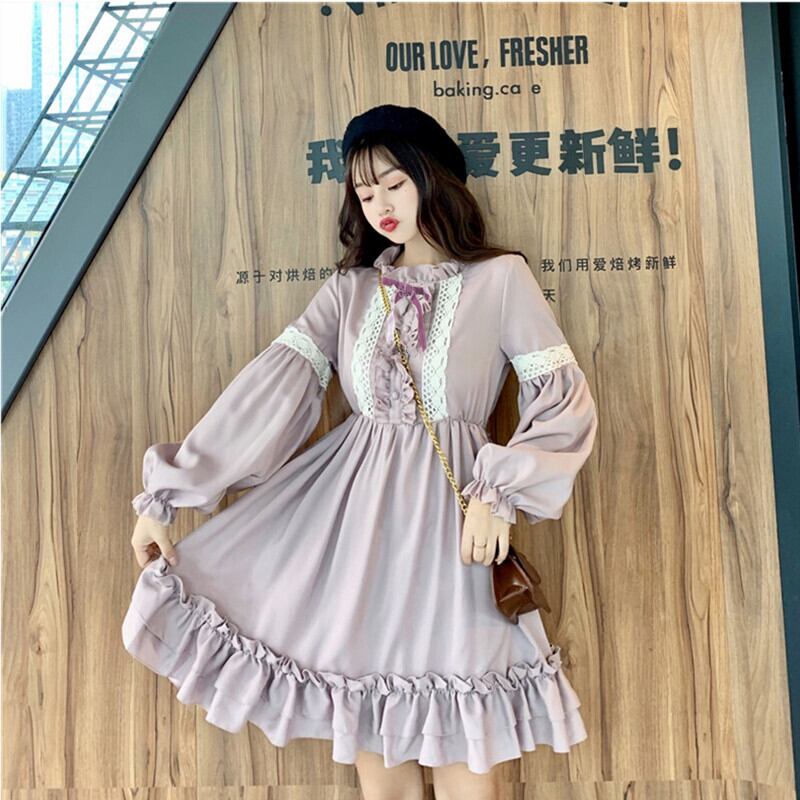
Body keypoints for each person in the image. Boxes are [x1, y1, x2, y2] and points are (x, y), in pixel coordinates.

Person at [124, 104, 598, 800]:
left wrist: (500, 495)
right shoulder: (349, 292)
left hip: (452, 531)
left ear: (432, 179)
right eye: (365, 192)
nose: (380, 206)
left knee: (466, 754)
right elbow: (271, 393)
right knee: (381, 761)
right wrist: (167, 496)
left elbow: (561, 398)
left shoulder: (500, 280)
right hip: (354, 533)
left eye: (394, 184)